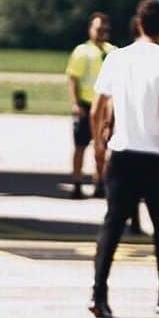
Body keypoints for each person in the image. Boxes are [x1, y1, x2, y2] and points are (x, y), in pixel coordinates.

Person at [88, 0, 159, 318]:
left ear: (138, 23)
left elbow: (97, 107)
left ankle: (99, 294)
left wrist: (98, 149)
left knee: (112, 225)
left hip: (121, 153)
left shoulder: (117, 59)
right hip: (153, 156)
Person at [65, 12, 115, 198]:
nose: (101, 32)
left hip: (105, 106)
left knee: (102, 146)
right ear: (90, 29)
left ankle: (100, 181)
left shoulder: (113, 52)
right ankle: (77, 183)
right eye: (98, 29)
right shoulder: (81, 51)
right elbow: (72, 78)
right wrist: (76, 103)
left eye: (104, 29)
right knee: (80, 146)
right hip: (86, 105)